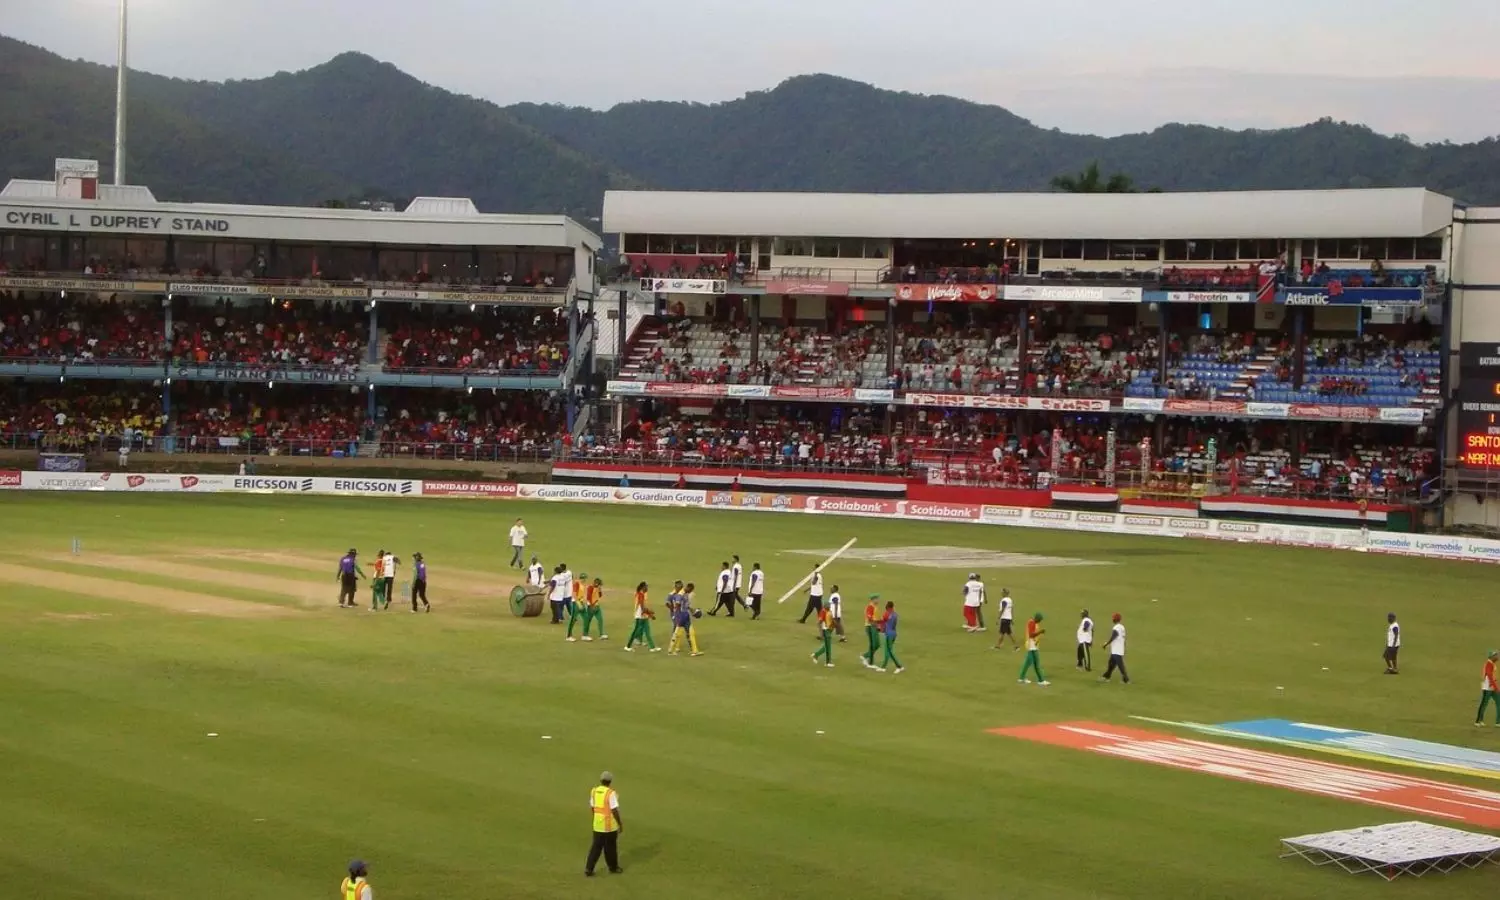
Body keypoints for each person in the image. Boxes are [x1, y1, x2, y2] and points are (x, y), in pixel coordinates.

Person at [584, 771, 623, 877]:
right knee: (610, 848)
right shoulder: (611, 793)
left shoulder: (594, 791)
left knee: (596, 847)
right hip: (609, 826)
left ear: (601, 780)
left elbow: (593, 807)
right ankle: (613, 867)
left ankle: (589, 868)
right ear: (610, 781)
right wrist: (620, 823)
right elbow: (614, 810)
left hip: (597, 824)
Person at [668, 583, 703, 657]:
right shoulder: (680, 594)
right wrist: (677, 616)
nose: (690, 592)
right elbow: (677, 605)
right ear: (688, 588)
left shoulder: (686, 594)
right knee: (677, 634)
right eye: (690, 590)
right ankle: (671, 650)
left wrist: (693, 611)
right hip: (681, 616)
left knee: (691, 633)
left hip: (686, 616)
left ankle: (694, 651)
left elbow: (686, 605)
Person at [624, 582, 660, 652]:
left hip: (643, 616)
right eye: (646, 587)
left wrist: (649, 614)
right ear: (643, 587)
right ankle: (628, 646)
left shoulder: (642, 594)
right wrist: (650, 614)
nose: (647, 588)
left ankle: (652, 647)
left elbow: (644, 607)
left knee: (647, 632)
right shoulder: (640, 595)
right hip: (640, 616)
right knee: (635, 632)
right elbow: (642, 608)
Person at [1018, 613, 1049, 685]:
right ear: (1037, 618)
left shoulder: (1035, 623)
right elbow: (1031, 635)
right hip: (1030, 645)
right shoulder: (1031, 623)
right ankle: (1039, 680)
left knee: (1034, 663)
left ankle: (1040, 680)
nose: (1040, 621)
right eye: (1040, 620)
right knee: (1030, 662)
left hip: (1034, 645)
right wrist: (1040, 632)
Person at [876, 600, 904, 674]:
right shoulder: (895, 615)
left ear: (888, 607)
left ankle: (899, 666)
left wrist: (878, 627)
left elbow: (882, 622)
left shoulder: (886, 614)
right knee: (887, 651)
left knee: (889, 652)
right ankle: (883, 667)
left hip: (889, 635)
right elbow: (892, 625)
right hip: (894, 634)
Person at [1101, 613, 1129, 683]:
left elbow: (1114, 636)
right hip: (1119, 649)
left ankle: (1126, 680)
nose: (1112, 619)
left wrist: (1106, 644)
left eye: (1113, 618)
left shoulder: (1116, 627)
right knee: (1111, 664)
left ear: (1115, 619)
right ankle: (1106, 676)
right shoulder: (1122, 627)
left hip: (1117, 649)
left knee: (1120, 665)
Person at [566, 572, 590, 642]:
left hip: (581, 603)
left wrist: (584, 602)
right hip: (575, 603)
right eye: (583, 578)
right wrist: (578, 603)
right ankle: (569, 636)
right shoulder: (577, 584)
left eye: (585, 578)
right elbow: (574, 594)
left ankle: (585, 635)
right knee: (573, 620)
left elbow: (582, 595)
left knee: (586, 618)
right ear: (581, 578)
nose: (584, 580)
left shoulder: (583, 585)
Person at [1477, 651, 1500, 727]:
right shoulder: (1488, 664)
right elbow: (1489, 676)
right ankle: (1478, 721)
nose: (1497, 657)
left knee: (1499, 702)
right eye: (1496, 655)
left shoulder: (1492, 664)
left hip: (1492, 687)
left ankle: (1498, 722)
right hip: (1487, 688)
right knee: (1484, 704)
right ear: (1491, 657)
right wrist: (1495, 687)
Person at [860, 594, 882, 669]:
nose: (878, 600)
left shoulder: (875, 607)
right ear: (873, 599)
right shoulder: (870, 607)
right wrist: (876, 626)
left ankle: (870, 661)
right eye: (877, 599)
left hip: (873, 626)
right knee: (875, 644)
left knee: (874, 644)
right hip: (870, 627)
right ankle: (866, 657)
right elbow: (870, 619)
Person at [583, 577, 607, 641]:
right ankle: (585, 635)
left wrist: (599, 590)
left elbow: (600, 596)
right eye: (599, 585)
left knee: (600, 620)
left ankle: (601, 634)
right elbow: (588, 597)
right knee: (588, 621)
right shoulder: (590, 587)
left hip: (597, 607)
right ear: (596, 584)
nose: (600, 586)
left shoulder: (598, 588)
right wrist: (591, 606)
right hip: (591, 607)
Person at [811, 603, 835, 667]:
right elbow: (819, 622)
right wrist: (821, 633)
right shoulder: (823, 612)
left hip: (829, 630)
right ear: (825, 606)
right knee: (828, 647)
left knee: (826, 646)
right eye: (828, 606)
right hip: (826, 630)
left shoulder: (828, 611)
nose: (829, 607)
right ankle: (828, 662)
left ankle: (816, 655)